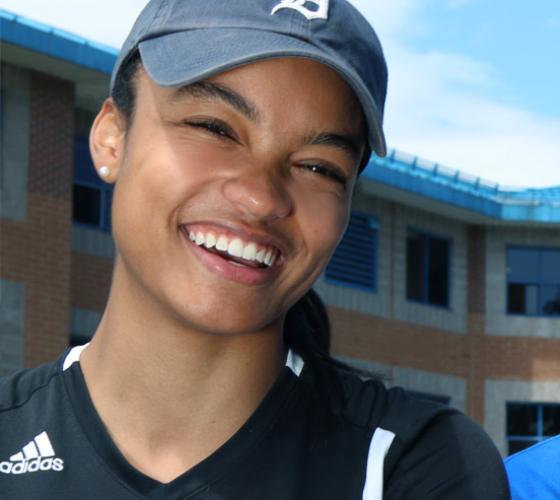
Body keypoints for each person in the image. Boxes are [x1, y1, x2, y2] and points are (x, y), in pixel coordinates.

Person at [0, 0, 510, 498]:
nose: (261, 197)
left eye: (318, 167)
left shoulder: (413, 464)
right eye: (214, 128)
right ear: (112, 138)